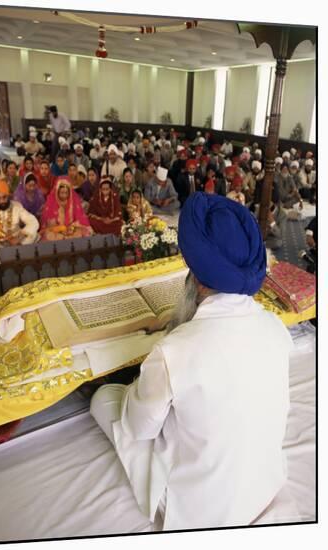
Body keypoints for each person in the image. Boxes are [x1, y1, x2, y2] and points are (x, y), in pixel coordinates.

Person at [90, 191, 292, 531]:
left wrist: (142, 387)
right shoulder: (274, 327)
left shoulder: (174, 351)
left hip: (205, 510)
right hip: (265, 484)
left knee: (103, 400)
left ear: (196, 279)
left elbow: (140, 428)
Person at [0, 179, 39, 248]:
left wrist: (19, 237)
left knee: (33, 235)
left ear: (8, 195)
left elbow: (33, 221)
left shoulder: (16, 206)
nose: (2, 201)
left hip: (16, 239)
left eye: (4, 197)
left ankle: (19, 250)